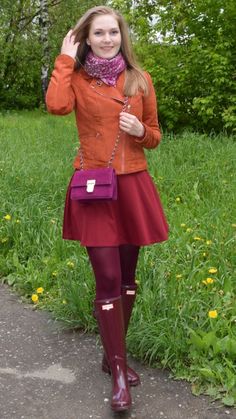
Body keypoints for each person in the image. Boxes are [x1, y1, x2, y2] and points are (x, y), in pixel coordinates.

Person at [46, 5, 168, 412]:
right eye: (98, 33)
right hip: (96, 187)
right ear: (86, 38)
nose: (107, 39)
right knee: (108, 277)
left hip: (132, 184)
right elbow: (57, 106)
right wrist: (64, 60)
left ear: (122, 36)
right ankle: (119, 375)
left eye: (113, 32)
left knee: (128, 277)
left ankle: (111, 355)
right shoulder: (77, 79)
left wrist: (141, 132)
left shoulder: (140, 80)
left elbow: (155, 135)